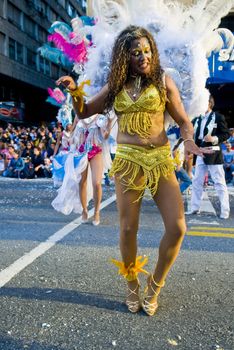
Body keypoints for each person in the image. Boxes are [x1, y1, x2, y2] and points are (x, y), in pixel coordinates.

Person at [56, 25, 212, 316]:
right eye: (136, 52)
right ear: (124, 57)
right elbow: (85, 112)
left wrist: (189, 140)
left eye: (147, 50)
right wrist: (75, 92)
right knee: (128, 228)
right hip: (128, 162)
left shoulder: (164, 82)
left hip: (161, 160)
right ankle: (131, 283)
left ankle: (155, 283)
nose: (143, 56)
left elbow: (182, 119)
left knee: (177, 227)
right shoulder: (116, 86)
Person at [190, 95, 230, 219]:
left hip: (214, 153)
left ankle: (225, 210)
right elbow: (193, 134)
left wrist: (214, 138)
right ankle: (194, 208)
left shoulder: (218, 117)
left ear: (209, 103)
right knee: (197, 181)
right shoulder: (197, 118)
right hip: (201, 152)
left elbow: (226, 134)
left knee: (219, 182)